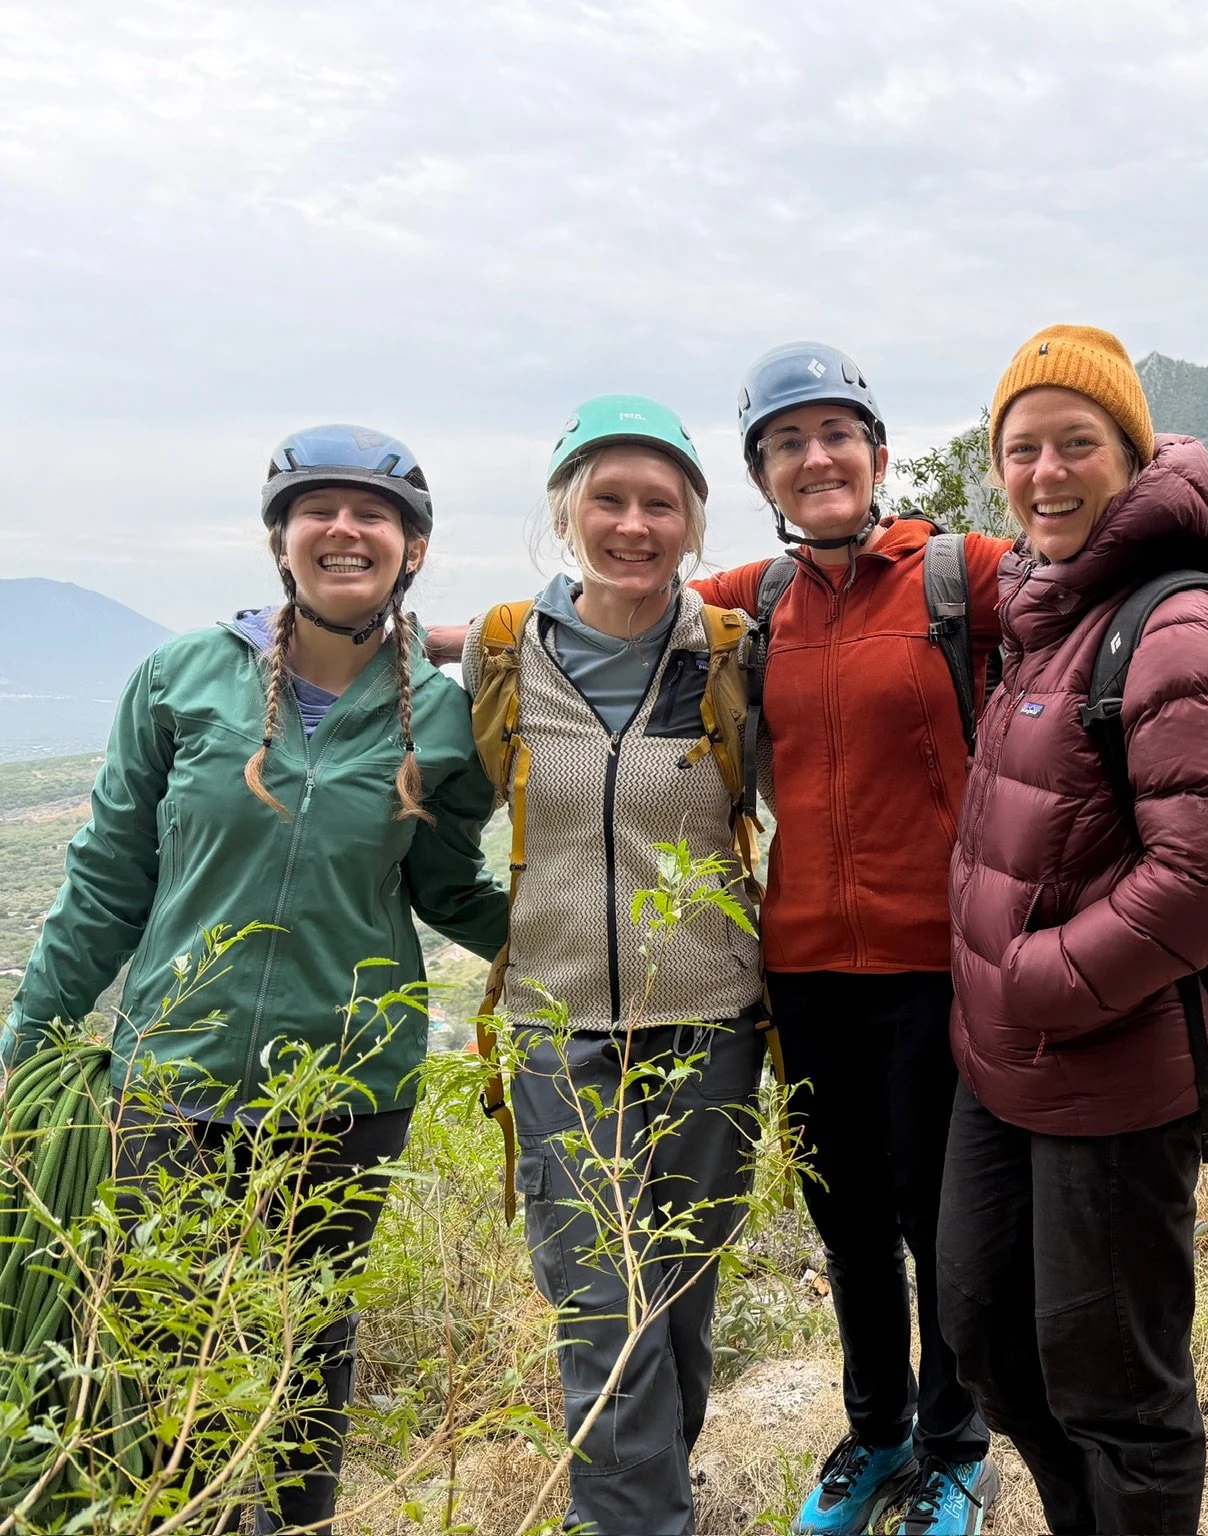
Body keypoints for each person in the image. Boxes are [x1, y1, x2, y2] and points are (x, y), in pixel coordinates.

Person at [0, 425, 508, 1534]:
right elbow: (104, 883)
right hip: (169, 1077)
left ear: (412, 550)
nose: (346, 528)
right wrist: (26, 1044)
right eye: (317, 508)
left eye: (375, 513)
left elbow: (445, 886)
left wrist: (568, 942)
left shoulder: (442, 716)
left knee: (306, 1345)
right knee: (163, 1340)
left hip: (349, 1085)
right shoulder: (181, 679)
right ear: (281, 539)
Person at [941, 326, 1208, 1534]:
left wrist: (1040, 978)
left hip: (1113, 1068)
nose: (1044, 471)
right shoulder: (1042, 604)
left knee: (1117, 1391)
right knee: (987, 1341)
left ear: (1129, 455)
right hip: (1000, 1064)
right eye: (1020, 449)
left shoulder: (1170, 616)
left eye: (1075, 442)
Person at [688, 343, 1004, 1536]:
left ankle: (955, 1446)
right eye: (785, 441)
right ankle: (873, 1435)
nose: (813, 457)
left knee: (939, 1220)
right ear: (763, 473)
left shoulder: (959, 574)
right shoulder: (754, 603)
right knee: (846, 1219)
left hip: (937, 965)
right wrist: (411, 630)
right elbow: (618, 600)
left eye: (835, 434)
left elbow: (1089, 582)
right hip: (805, 966)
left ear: (876, 452)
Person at [463, 395, 766, 1536]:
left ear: (692, 524)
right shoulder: (504, 655)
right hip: (558, 1031)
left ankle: (648, 1497)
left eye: (659, 503)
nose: (632, 525)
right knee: (598, 1303)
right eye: (607, 498)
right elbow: (443, 826)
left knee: (677, 1295)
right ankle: (637, 1522)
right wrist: (522, 923)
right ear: (566, 512)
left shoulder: (730, 661)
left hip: (709, 1022)